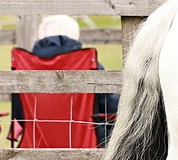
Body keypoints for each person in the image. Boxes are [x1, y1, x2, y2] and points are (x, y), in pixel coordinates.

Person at [11, 14, 120, 148]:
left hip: (36, 144)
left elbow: (19, 113)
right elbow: (112, 108)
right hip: (88, 144)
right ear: (74, 35)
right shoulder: (89, 64)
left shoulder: (25, 65)